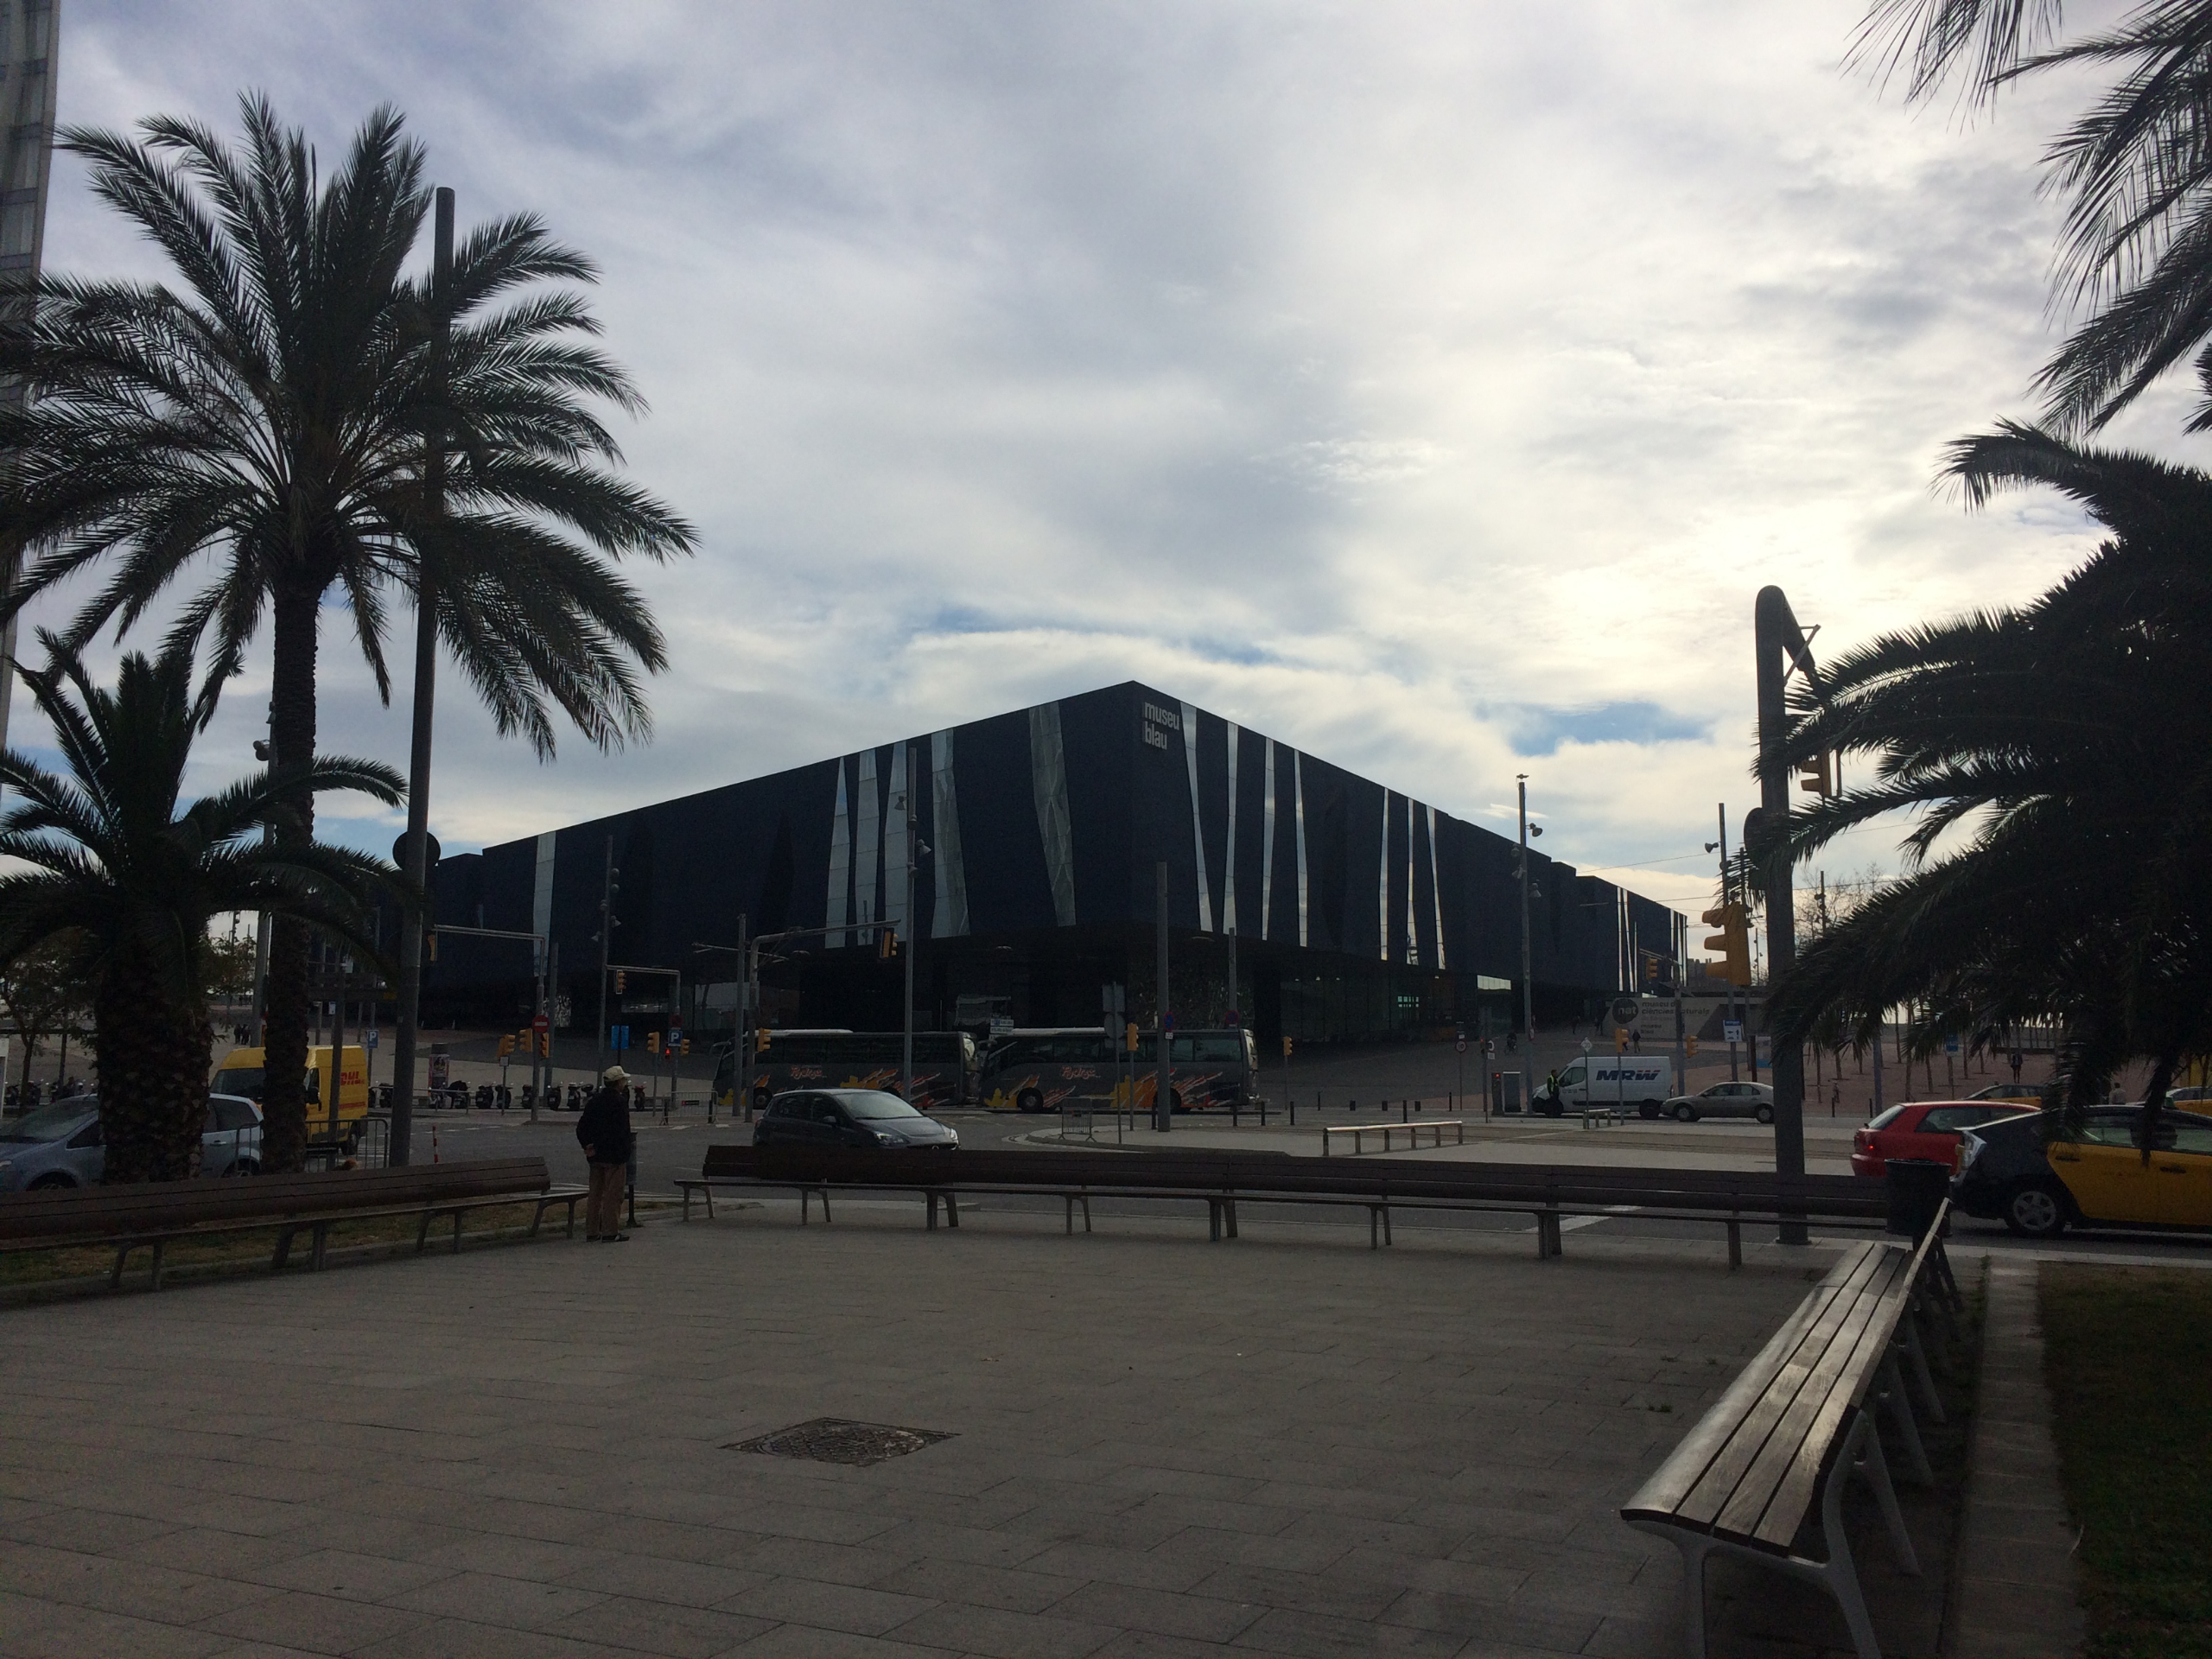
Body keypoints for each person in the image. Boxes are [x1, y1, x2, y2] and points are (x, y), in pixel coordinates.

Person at [577, 1065, 635, 1242]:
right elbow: (622, 1130)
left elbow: (582, 1127)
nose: (625, 1083)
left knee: (595, 1194)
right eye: (623, 1080)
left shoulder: (594, 1101)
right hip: (614, 1156)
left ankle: (592, 1230)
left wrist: (587, 1145)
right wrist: (625, 1151)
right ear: (618, 1083)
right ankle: (610, 1231)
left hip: (596, 1155)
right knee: (613, 1195)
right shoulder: (619, 1102)